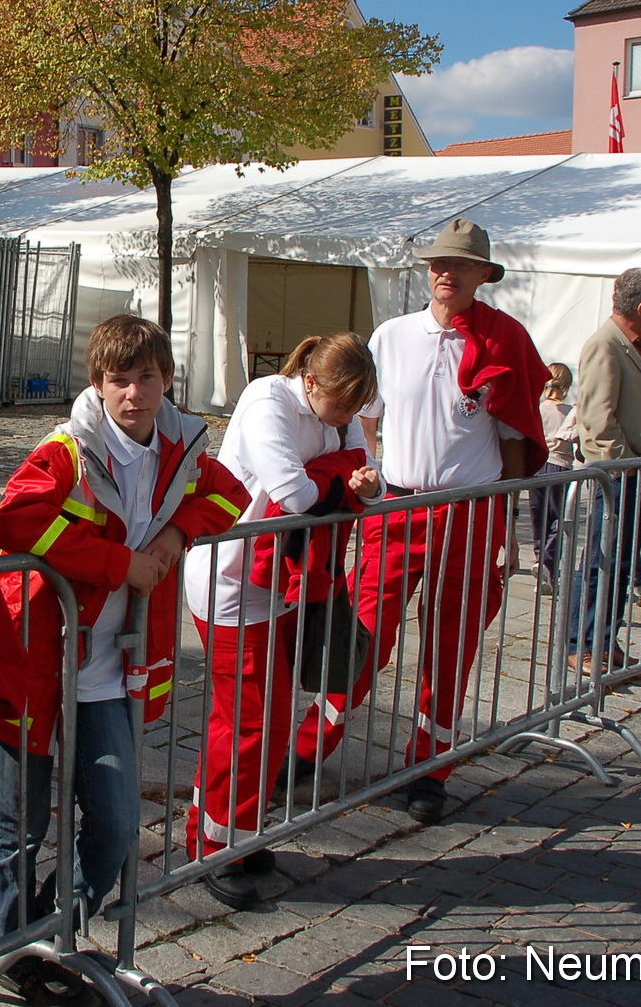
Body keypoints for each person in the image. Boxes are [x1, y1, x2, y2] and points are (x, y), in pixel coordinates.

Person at [0, 315, 246, 972]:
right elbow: (14, 519)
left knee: (116, 825)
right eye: (119, 380)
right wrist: (116, 562)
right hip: (38, 664)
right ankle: (12, 957)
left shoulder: (180, 448)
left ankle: (53, 933)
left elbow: (228, 495)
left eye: (147, 377)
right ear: (98, 385)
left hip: (108, 673)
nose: (134, 393)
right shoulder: (67, 450)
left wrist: (173, 538)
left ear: (167, 381)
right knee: (19, 828)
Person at [346, 219, 546, 826]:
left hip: (471, 510)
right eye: (437, 263)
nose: (445, 273)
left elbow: (516, 437)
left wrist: (506, 527)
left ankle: (430, 766)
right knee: (362, 634)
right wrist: (377, 471)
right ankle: (312, 744)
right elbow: (364, 415)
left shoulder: (504, 339)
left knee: (450, 645)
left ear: (483, 275)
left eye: (459, 264)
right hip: (398, 507)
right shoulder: (391, 335)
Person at [181, 331, 378, 906]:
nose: (347, 417)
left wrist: (356, 477)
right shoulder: (268, 399)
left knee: (260, 721)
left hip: (281, 582)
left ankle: (231, 830)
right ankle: (212, 847)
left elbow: (369, 475)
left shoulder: (335, 414)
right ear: (310, 381)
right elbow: (293, 494)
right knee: (246, 723)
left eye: (354, 409)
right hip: (234, 582)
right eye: (341, 404)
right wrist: (346, 478)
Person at [570, 268, 641, 675]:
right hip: (620, 477)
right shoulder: (606, 344)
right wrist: (625, 467)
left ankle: (604, 639)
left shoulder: (637, 343)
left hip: (636, 475)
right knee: (602, 560)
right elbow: (597, 420)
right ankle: (582, 643)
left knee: (621, 560)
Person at [528, 363, 578, 593]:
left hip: (537, 466)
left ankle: (540, 558)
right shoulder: (569, 411)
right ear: (566, 386)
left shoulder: (537, 409)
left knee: (540, 517)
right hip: (560, 466)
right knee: (561, 518)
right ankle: (548, 560)